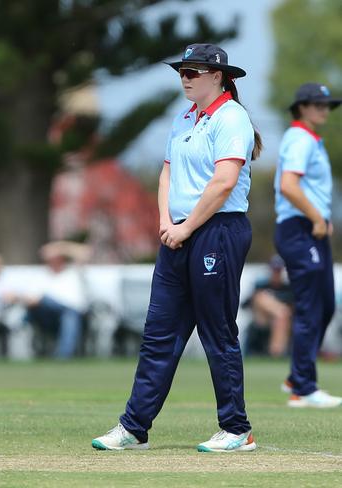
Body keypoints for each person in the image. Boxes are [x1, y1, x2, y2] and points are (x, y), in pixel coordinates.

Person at [92, 44, 262, 452]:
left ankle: (237, 429)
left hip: (216, 231)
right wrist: (168, 223)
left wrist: (186, 227)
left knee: (216, 331)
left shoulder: (232, 117)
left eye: (194, 71)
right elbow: (166, 173)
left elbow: (223, 183)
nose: (185, 77)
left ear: (217, 76)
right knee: (159, 333)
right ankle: (134, 427)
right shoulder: (185, 117)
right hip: (179, 232)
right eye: (182, 71)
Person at [273, 82, 342, 408]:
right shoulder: (300, 138)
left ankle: (297, 376)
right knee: (311, 306)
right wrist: (316, 217)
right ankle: (303, 387)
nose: (323, 109)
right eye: (317, 104)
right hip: (299, 228)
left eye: (327, 105)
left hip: (310, 228)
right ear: (301, 107)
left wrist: (320, 218)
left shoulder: (310, 139)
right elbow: (289, 186)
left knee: (325, 304)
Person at [7, 241, 90, 359]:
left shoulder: (74, 272)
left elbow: (85, 253)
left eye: (57, 257)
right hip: (46, 316)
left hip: (74, 314)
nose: (54, 260)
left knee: (69, 315)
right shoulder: (40, 276)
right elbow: (31, 299)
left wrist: (60, 247)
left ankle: (63, 357)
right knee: (44, 301)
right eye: (51, 258)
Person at [243, 255, 293, 357]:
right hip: (261, 318)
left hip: (281, 321)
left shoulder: (287, 289)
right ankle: (276, 353)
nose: (276, 273)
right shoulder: (261, 286)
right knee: (261, 297)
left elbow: (294, 308)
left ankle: (276, 352)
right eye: (274, 270)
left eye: (278, 270)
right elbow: (245, 304)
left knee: (281, 317)